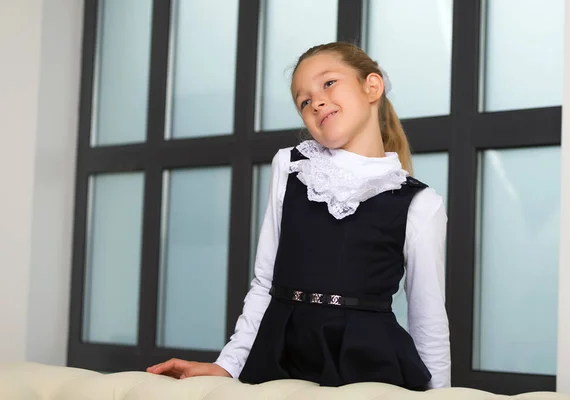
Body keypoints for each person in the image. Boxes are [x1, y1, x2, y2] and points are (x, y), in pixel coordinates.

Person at [147, 41, 450, 390]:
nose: (316, 101)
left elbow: (428, 320)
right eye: (303, 101)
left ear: (372, 87)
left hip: (368, 367)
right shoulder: (290, 167)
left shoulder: (421, 202)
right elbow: (265, 283)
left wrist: (441, 396)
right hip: (279, 356)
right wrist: (227, 365)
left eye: (329, 83)